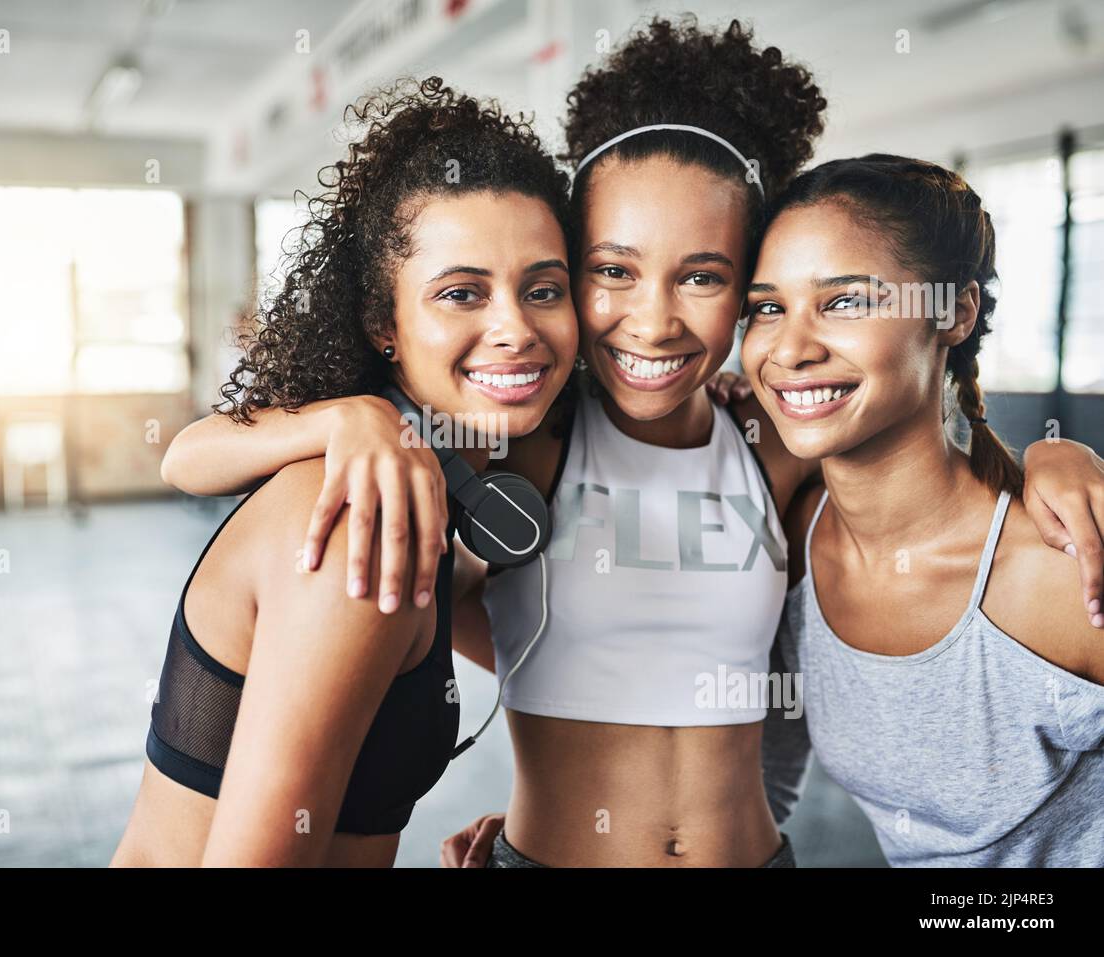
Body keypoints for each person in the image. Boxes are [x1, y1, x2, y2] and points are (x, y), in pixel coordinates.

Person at [158, 18, 1104, 868]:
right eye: (611, 271)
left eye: (704, 276)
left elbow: (925, 424)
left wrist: (1058, 460)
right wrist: (341, 416)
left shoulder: (772, 443)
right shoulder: (525, 446)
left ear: (746, 291)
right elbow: (191, 455)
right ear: (573, 276)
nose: (652, 323)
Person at [110, 77, 577, 867]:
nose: (516, 328)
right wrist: (347, 417)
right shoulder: (359, 522)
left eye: (543, 289)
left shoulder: (429, 493)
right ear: (381, 323)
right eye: (462, 292)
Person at [750, 154, 1104, 866]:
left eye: (845, 300)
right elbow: (755, 776)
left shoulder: (1062, 572)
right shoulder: (789, 540)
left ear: (954, 312)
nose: (789, 348)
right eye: (767, 307)